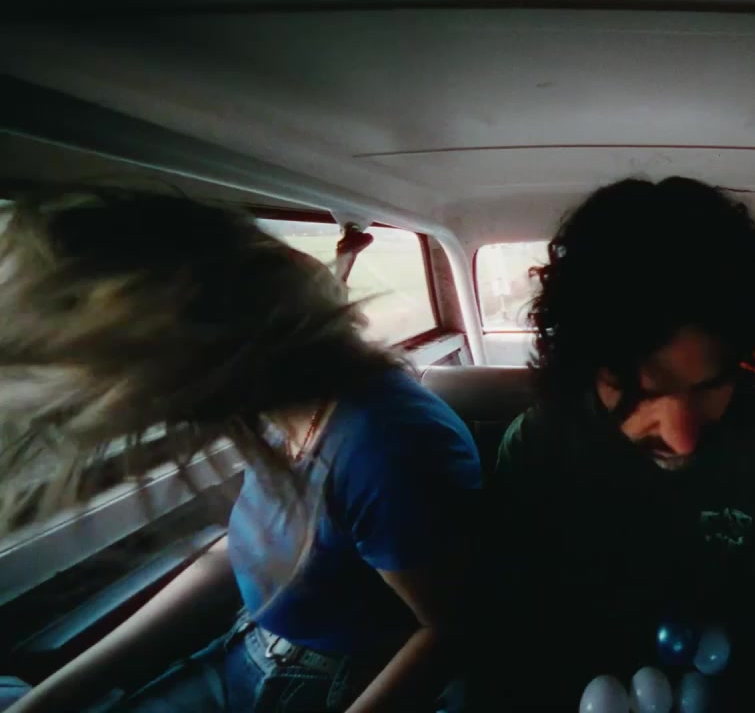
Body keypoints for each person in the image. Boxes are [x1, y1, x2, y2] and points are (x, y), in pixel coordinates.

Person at [0, 191, 482, 712]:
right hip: (245, 643)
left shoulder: (391, 448)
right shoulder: (277, 413)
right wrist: (62, 691)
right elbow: (244, 552)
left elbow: (449, 629)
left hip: (326, 685)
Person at [466, 177, 755, 710]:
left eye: (712, 386)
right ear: (585, 367)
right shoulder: (538, 446)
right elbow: (516, 621)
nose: (682, 439)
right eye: (641, 393)